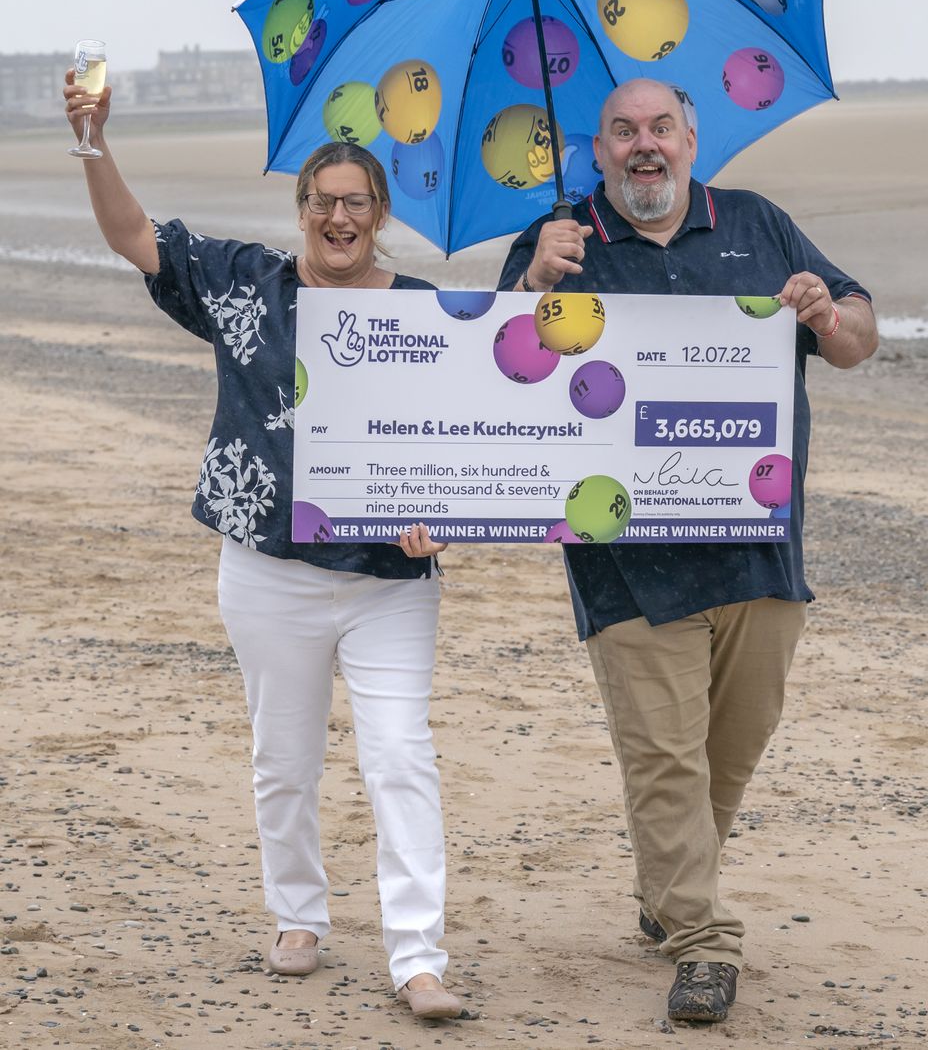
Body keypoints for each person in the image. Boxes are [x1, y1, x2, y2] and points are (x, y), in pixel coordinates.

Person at [64, 71, 467, 1021]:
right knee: (283, 756)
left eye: (356, 203)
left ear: (380, 214)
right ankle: (299, 914)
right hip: (264, 569)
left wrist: (439, 514)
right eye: (323, 201)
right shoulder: (244, 282)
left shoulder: (423, 312)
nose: (339, 216)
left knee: (400, 755)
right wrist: (91, 141)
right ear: (301, 211)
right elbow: (134, 237)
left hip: (390, 579)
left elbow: (459, 446)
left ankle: (418, 957)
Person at [497, 78, 878, 1025]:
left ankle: (669, 890)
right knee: (664, 762)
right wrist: (529, 285)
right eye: (623, 131)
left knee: (725, 761)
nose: (644, 146)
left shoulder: (759, 224)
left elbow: (861, 338)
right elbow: (490, 383)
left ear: (692, 138)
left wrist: (824, 315)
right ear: (596, 151)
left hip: (761, 557)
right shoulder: (561, 241)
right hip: (624, 563)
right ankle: (704, 944)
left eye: (660, 126)